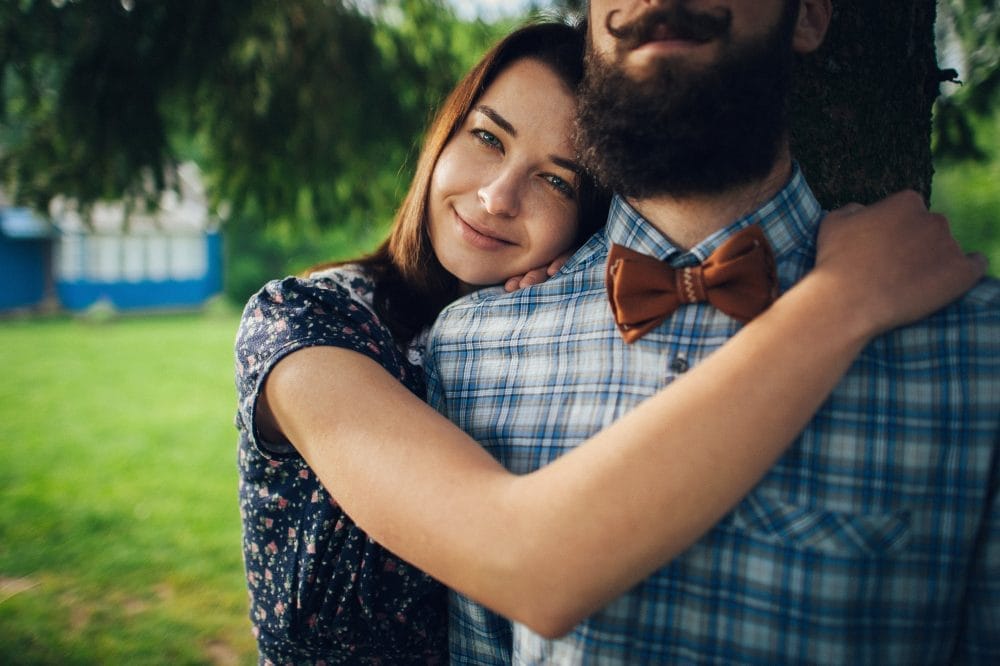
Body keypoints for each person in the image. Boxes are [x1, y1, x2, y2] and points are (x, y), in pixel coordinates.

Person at [235, 18, 985, 666]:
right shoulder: (306, 324)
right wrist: (842, 298)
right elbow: (527, 561)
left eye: (558, 182)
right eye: (487, 137)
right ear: (444, 132)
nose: (498, 197)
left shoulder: (512, 312)